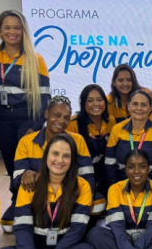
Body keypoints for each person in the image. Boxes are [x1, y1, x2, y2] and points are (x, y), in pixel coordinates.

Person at [0, 10, 51, 229]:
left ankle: (33, 204)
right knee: (11, 162)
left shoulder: (35, 59)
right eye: (7, 27)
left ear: (23, 31)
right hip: (2, 117)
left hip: (27, 116)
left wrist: (36, 125)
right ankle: (16, 200)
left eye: (17, 28)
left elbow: (44, 97)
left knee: (28, 163)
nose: (12, 32)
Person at [7, 96, 98, 232]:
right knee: (8, 226)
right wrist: (26, 174)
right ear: (46, 114)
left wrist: (88, 195)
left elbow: (87, 174)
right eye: (57, 115)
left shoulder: (77, 140)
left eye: (66, 117)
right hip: (38, 197)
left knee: (96, 207)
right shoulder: (26, 142)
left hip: (68, 196)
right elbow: (17, 180)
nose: (61, 121)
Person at [105, 90, 152, 188]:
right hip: (121, 188)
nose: (139, 108)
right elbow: (110, 164)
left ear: (150, 108)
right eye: (135, 104)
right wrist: (116, 189)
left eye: (144, 105)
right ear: (129, 106)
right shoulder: (117, 129)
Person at [67, 84, 116, 211]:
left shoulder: (111, 121)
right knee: (95, 205)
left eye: (99, 100)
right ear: (83, 103)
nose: (96, 104)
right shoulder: (73, 124)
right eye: (90, 100)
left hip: (104, 173)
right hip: (81, 173)